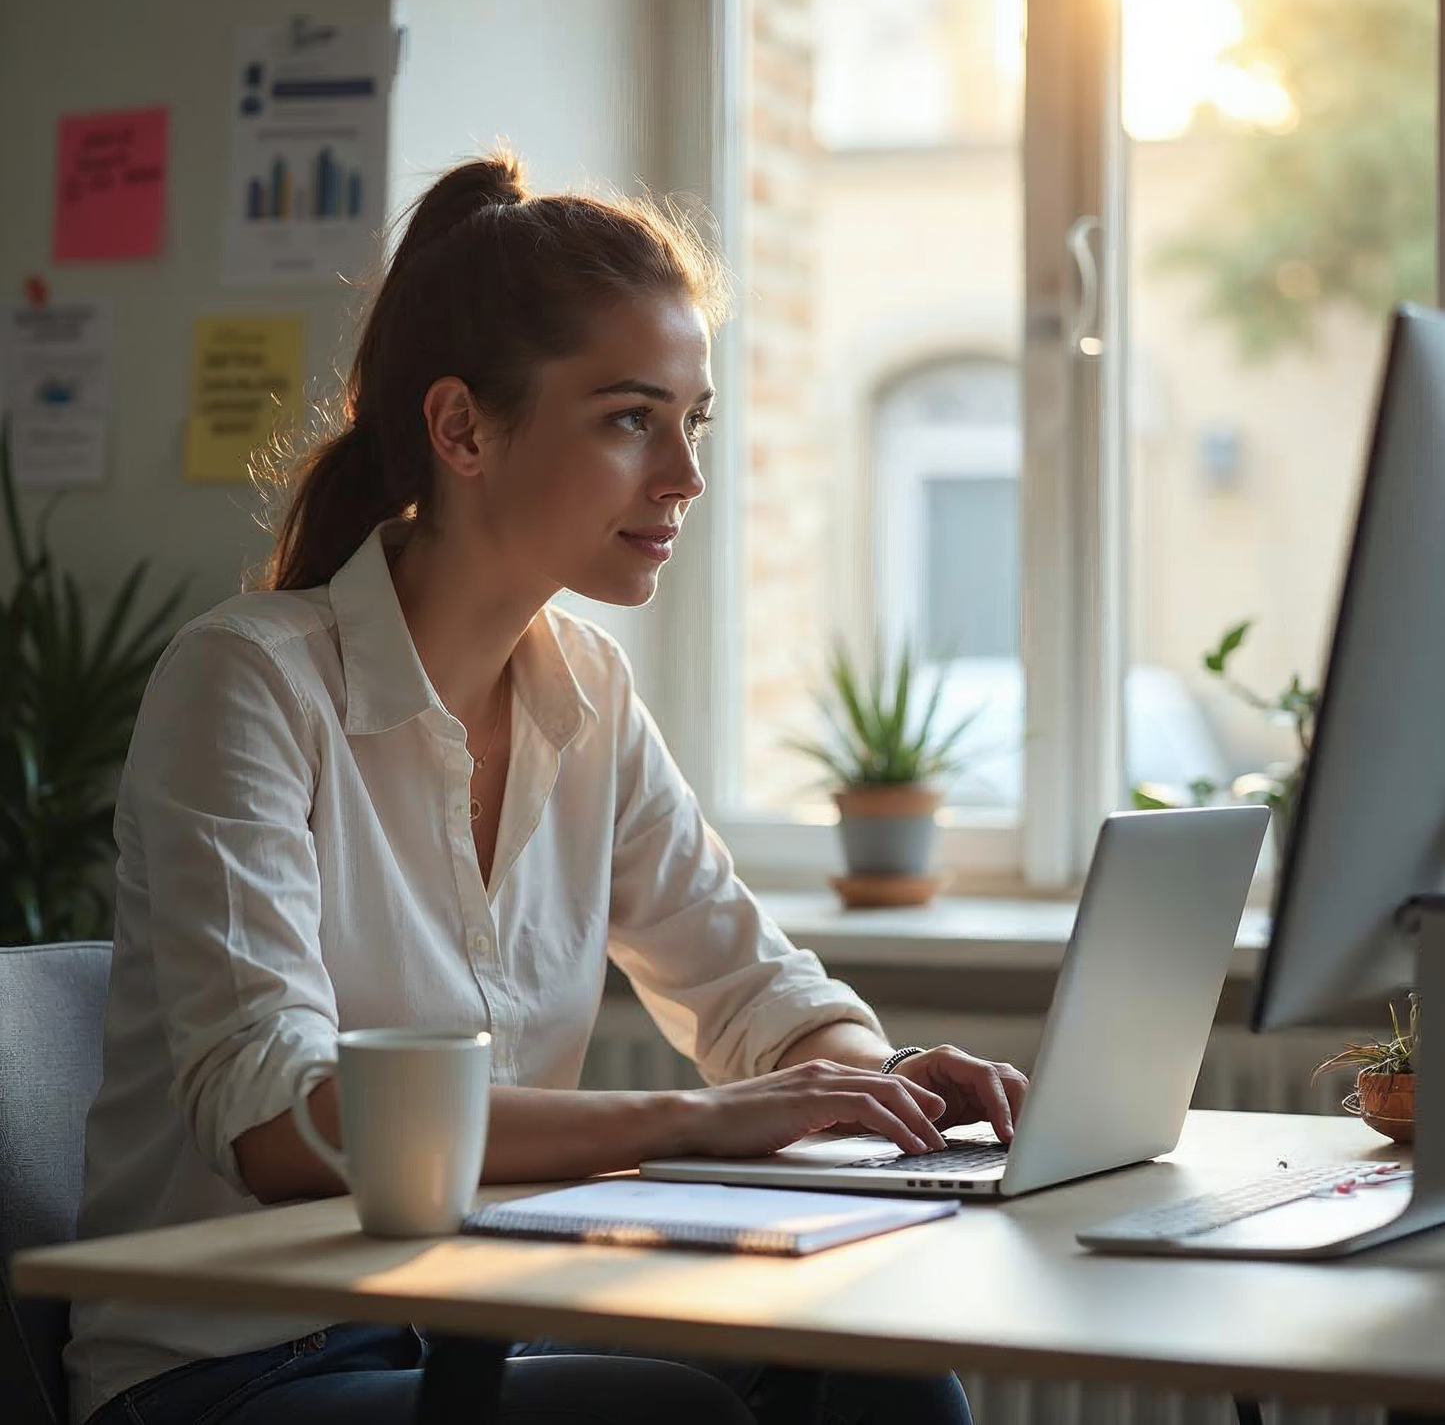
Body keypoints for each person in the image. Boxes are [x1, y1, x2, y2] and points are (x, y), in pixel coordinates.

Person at [66, 149, 1028, 1425]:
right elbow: (281, 1122)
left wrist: (878, 1078)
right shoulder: (246, 683)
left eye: (694, 418)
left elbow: (755, 992)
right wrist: (701, 1120)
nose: (683, 473)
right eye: (632, 417)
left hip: (475, 1323)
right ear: (461, 427)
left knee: (882, 1379)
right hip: (242, 1362)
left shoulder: (587, 690)